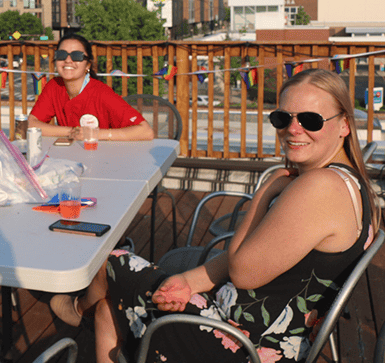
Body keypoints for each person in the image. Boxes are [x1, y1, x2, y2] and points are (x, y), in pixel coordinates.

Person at [50, 68, 381, 363]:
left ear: (344, 126)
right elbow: (260, 257)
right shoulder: (350, 183)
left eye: (310, 120)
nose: (293, 130)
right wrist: (187, 282)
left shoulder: (318, 188)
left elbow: (242, 271)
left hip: (241, 345)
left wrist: (267, 189)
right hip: (257, 329)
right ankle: (86, 313)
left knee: (112, 262)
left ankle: (76, 311)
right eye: (283, 118)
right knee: (109, 308)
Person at [28, 32, 154, 141]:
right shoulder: (54, 86)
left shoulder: (102, 93)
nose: (67, 60)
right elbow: (30, 124)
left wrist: (96, 134)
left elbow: (146, 131)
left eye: (76, 56)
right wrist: (73, 132)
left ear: (88, 65)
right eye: (61, 55)